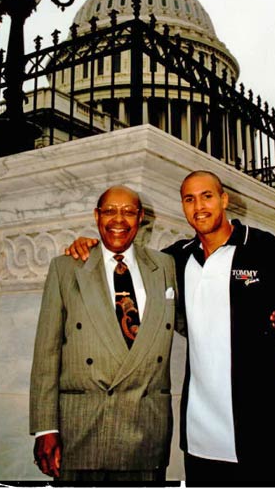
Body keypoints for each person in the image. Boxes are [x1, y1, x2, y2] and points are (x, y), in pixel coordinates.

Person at [66, 170, 275, 485]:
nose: (199, 206)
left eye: (207, 196)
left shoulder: (263, 248)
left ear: (224, 200)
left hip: (265, 421)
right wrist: (90, 247)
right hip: (201, 433)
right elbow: (127, 266)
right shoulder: (176, 259)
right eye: (189, 199)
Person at [30, 185, 177, 483]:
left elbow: (188, 319)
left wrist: (260, 314)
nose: (118, 220)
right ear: (96, 216)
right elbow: (47, 351)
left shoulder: (164, 265)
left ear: (141, 218)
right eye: (110, 210)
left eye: (128, 212)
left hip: (146, 428)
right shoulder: (66, 267)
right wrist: (46, 428)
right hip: (81, 430)